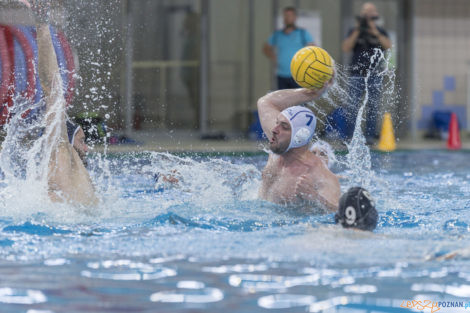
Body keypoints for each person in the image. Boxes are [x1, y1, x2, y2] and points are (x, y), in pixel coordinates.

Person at [22, 0, 98, 206]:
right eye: (82, 141)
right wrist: (42, 25)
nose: (87, 149)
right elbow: (52, 89)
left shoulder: (81, 179)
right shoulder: (62, 151)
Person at [257, 87, 340, 212]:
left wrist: (315, 197)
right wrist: (310, 93)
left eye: (284, 126)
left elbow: (339, 213)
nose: (274, 129)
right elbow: (265, 102)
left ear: (299, 136)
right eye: (277, 122)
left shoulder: (319, 176)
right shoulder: (279, 141)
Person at [342, 2, 391, 142]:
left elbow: (388, 46)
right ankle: (349, 137)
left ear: (375, 15)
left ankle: (370, 137)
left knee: (373, 107)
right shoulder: (354, 30)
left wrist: (374, 30)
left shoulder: (380, 31)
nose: (368, 15)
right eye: (365, 12)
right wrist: (358, 29)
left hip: (375, 74)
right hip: (356, 74)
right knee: (352, 106)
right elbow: (346, 47)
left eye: (371, 12)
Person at [263, 7, 315, 90]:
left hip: (298, 75)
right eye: (285, 15)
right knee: (283, 102)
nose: (287, 18)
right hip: (281, 74)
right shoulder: (278, 34)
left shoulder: (303, 33)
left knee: (300, 101)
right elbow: (266, 48)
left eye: (290, 15)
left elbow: (313, 49)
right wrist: (274, 58)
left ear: (295, 18)